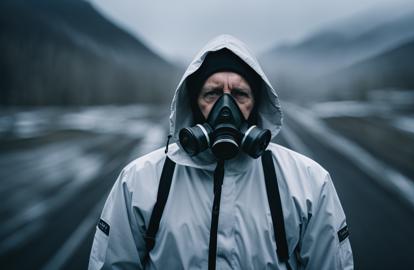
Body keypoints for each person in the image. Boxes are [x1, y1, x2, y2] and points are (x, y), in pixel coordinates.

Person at [88, 34, 354, 270]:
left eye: (239, 94)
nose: (225, 108)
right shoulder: (139, 181)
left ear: (256, 103)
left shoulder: (309, 182)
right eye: (212, 94)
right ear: (193, 104)